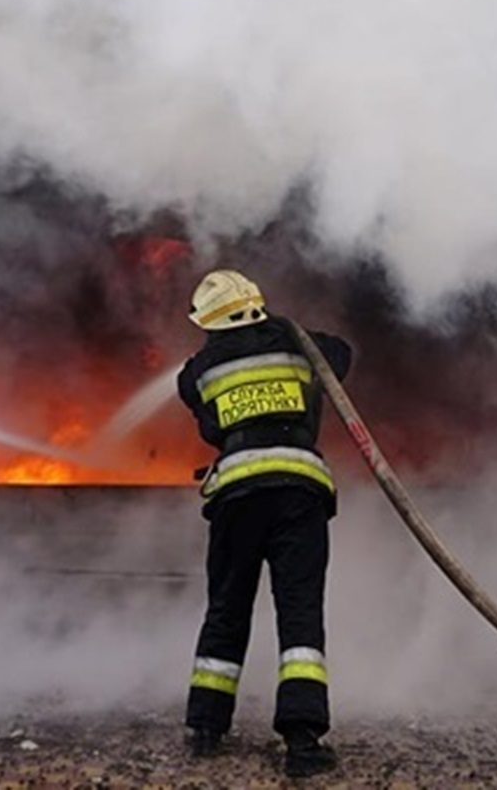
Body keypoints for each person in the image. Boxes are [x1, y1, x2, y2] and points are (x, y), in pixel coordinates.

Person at [177, 269, 352, 779]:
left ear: (208, 321)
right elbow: (341, 356)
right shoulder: (299, 345)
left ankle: (206, 729)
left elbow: (209, 423)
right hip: (299, 492)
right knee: (299, 614)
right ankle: (302, 741)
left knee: (227, 606)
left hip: (237, 496)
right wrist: (286, 330)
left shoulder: (200, 368)